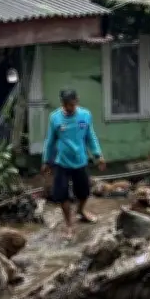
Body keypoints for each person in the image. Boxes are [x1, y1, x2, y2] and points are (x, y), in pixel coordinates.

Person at [41, 89, 105, 239]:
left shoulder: (85, 115)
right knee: (62, 195)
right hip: (61, 162)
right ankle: (69, 224)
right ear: (62, 103)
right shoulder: (55, 118)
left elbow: (91, 137)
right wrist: (46, 161)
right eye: (65, 105)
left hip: (80, 161)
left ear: (77, 101)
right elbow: (50, 141)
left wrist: (98, 155)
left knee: (84, 192)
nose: (68, 108)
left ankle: (81, 211)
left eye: (71, 104)